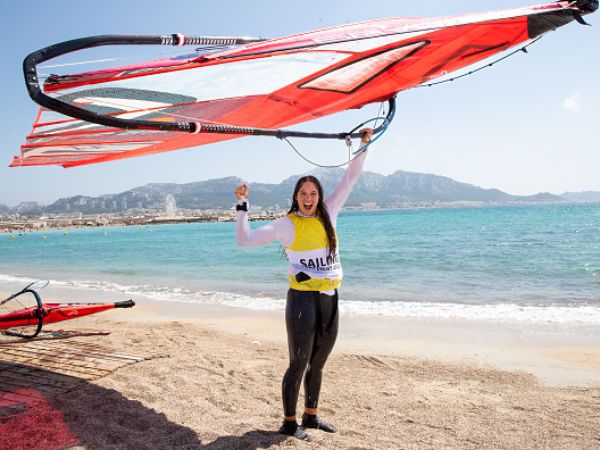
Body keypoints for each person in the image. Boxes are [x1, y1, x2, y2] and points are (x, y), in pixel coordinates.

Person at [234, 128, 373, 441]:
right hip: (302, 302)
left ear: (319, 197)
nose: (308, 198)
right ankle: (288, 422)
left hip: (330, 299)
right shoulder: (286, 224)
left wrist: (364, 145)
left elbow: (350, 178)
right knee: (298, 362)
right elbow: (244, 240)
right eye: (303, 194)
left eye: (313, 194)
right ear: (295, 197)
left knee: (319, 362)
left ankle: (311, 416)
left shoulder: (329, 212)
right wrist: (243, 204)